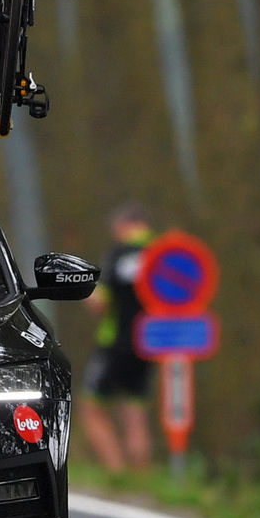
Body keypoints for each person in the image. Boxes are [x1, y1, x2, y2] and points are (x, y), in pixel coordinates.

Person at [80, 202, 156, 473]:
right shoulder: (161, 254)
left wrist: (83, 289)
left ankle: (117, 473)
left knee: (91, 409)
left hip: (115, 344)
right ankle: (141, 480)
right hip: (150, 344)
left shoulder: (118, 254)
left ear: (122, 225)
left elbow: (101, 302)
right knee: (136, 414)